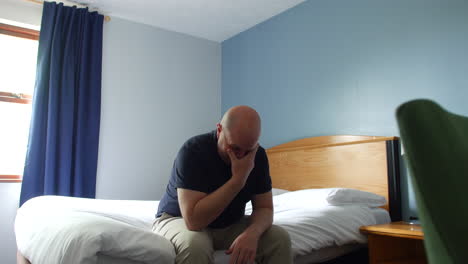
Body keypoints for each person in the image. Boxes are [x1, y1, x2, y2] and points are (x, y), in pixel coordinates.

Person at [154, 105, 292, 264]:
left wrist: (252, 234)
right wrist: (238, 180)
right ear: (219, 130)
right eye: (234, 147)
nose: (240, 155)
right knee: (195, 245)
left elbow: (264, 208)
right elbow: (193, 221)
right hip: (178, 218)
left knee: (279, 239)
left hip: (230, 224)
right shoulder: (193, 151)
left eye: (248, 150)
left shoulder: (258, 156)